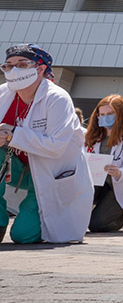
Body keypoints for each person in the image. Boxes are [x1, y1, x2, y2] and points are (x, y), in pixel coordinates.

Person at [0, 44, 92, 244]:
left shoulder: (57, 98)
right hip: (15, 166)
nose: (14, 71)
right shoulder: (3, 94)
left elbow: (56, 146)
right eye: (8, 66)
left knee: (22, 235)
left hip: (50, 172)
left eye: (22, 65)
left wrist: (12, 135)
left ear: (40, 69)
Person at [84, 94, 123, 232]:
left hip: (116, 188)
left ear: (119, 115)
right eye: (102, 114)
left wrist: (120, 172)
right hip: (95, 183)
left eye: (110, 114)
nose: (105, 117)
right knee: (77, 213)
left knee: (95, 225)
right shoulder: (92, 136)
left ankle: (116, 219)